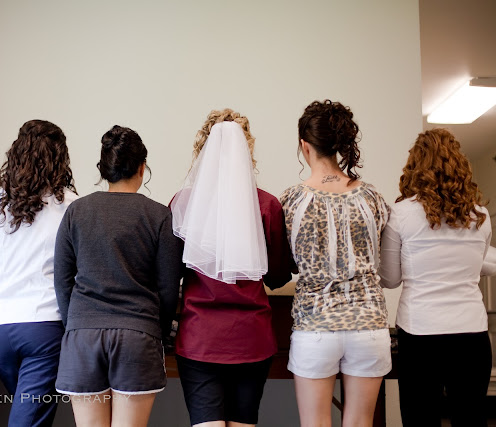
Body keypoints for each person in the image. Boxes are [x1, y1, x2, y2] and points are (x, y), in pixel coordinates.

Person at [170, 109, 295, 427]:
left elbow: (170, 273)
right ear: (247, 148)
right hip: (251, 338)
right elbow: (277, 277)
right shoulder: (267, 205)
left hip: (200, 338)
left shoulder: (183, 203)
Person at [54, 125, 183, 427]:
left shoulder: (77, 211)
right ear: (142, 168)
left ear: (104, 168)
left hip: (83, 337)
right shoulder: (159, 215)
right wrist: (160, 331)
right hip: (138, 336)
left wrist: (75, 325)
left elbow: (62, 280)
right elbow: (168, 287)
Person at [280, 100, 391, 427]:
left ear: (305, 145)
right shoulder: (372, 197)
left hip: (316, 325)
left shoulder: (291, 201)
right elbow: (379, 256)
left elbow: (287, 263)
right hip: (368, 324)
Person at [379, 128, 492, 426]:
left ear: (415, 166)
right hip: (472, 334)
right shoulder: (480, 216)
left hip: (421, 334)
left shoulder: (400, 214)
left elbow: (390, 279)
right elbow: (477, 266)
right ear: (460, 164)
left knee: (420, 420)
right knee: (471, 420)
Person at [0, 120, 78, 426]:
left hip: (2, 330)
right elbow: (78, 272)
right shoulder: (71, 206)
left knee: (27, 414)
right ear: (60, 159)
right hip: (45, 329)